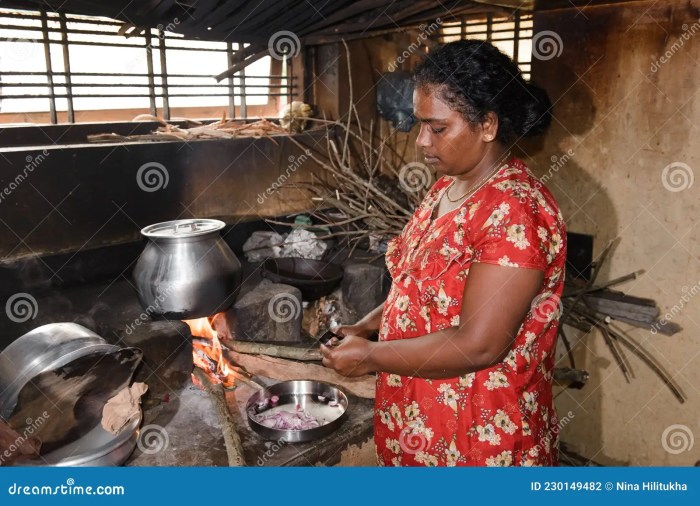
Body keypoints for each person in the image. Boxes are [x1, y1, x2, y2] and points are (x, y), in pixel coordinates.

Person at [320, 39, 567, 467]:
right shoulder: (446, 189)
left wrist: (373, 357)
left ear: (487, 125)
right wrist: (365, 327)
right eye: (420, 126)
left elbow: (480, 345)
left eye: (438, 128)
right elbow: (419, 288)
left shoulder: (513, 212)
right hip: (421, 414)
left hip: (474, 434)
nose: (422, 142)